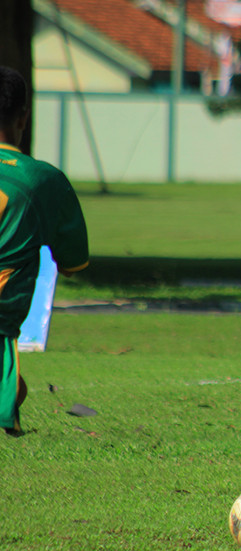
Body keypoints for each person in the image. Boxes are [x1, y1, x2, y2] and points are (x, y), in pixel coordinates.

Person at [0, 66, 89, 435]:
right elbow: (72, 264)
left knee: (14, 390)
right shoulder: (44, 180)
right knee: (13, 391)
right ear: (25, 115)